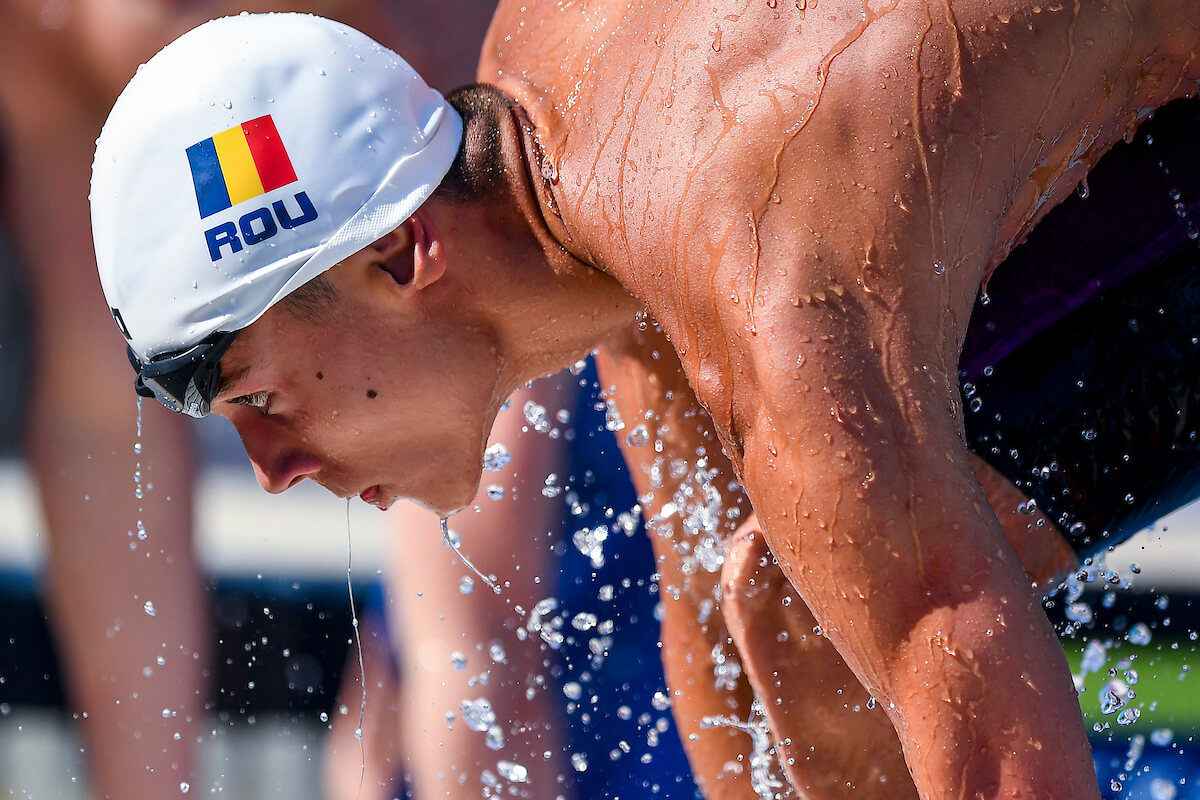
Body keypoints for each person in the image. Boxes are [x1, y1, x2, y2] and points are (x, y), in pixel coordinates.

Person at [88, 7, 1200, 800]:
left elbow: (980, 708)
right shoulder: (573, 160)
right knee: (794, 608)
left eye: (262, 396)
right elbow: (709, 613)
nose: (271, 469)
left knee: (876, 609)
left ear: (401, 250)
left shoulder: (747, 250)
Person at [0, 1, 496, 797]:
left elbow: (494, 265)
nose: (269, 477)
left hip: (531, 361)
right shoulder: (53, 27)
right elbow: (103, 419)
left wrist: (446, 662)